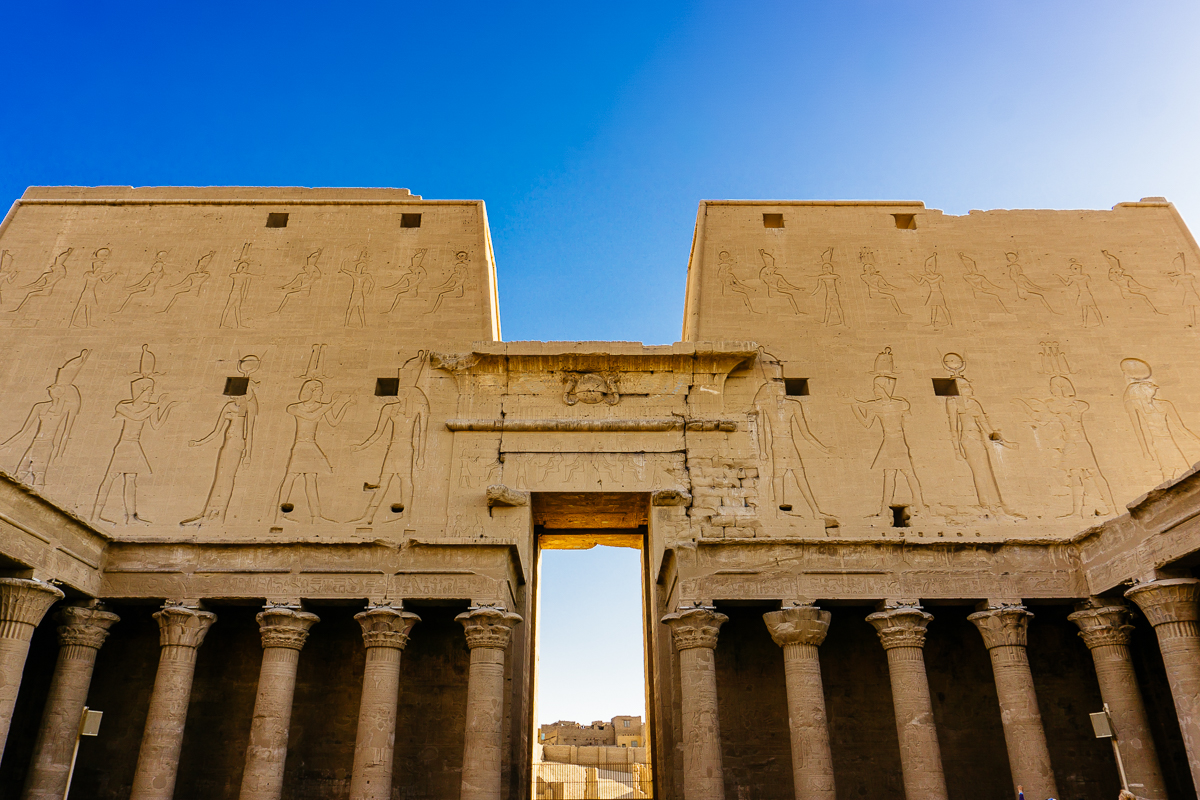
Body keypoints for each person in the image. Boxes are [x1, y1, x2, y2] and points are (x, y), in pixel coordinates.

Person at [351, 354, 430, 523]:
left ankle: (407, 518)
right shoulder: (389, 408)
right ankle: (368, 517)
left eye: (404, 390)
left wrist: (420, 456)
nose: (400, 393)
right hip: (393, 448)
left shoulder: (417, 406)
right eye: (399, 389)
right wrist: (362, 446)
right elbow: (378, 433)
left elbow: (422, 432)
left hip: (406, 448)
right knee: (384, 481)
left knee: (405, 481)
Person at [92, 375, 178, 524]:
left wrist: (167, 407)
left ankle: (131, 517)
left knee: (131, 480)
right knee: (110, 478)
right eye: (149, 392)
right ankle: (95, 516)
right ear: (141, 391)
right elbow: (137, 417)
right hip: (124, 445)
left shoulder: (149, 406)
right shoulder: (124, 406)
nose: (151, 394)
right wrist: (157, 405)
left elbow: (156, 425)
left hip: (134, 445)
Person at [273, 379, 353, 522]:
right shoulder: (295, 407)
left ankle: (316, 516)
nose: (321, 393)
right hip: (301, 445)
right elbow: (311, 416)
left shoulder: (322, 406)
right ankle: (279, 515)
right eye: (319, 390)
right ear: (310, 391)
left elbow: (334, 422)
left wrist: (346, 405)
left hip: (311, 445)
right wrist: (332, 403)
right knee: (291, 476)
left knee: (311, 479)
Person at [70, 248, 114, 327]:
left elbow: (106, 282)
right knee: (79, 307)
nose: (100, 269)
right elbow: (94, 278)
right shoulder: (89, 273)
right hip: (86, 292)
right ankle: (71, 323)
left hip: (91, 293)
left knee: (88, 308)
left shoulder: (100, 274)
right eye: (99, 267)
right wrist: (105, 273)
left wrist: (114, 275)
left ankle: (88, 324)